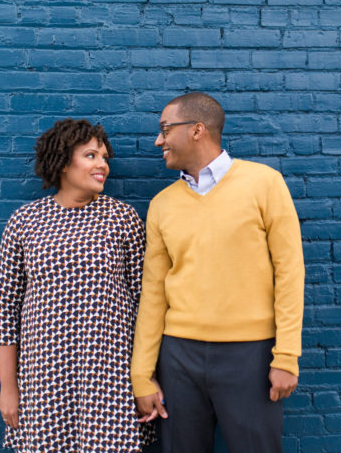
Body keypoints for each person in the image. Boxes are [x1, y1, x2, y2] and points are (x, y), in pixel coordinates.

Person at [131, 92, 304, 453]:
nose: (158, 140)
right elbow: (154, 294)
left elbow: (289, 273)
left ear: (197, 130)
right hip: (178, 358)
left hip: (251, 357)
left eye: (165, 129)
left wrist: (286, 357)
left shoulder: (264, 184)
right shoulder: (161, 205)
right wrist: (142, 375)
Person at [0, 119, 154, 453]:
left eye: (104, 157)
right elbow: (6, 312)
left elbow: (146, 304)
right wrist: (9, 388)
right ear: (64, 162)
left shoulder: (122, 219)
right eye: (91, 155)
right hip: (44, 375)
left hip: (110, 374)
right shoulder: (25, 222)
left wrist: (145, 378)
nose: (102, 165)